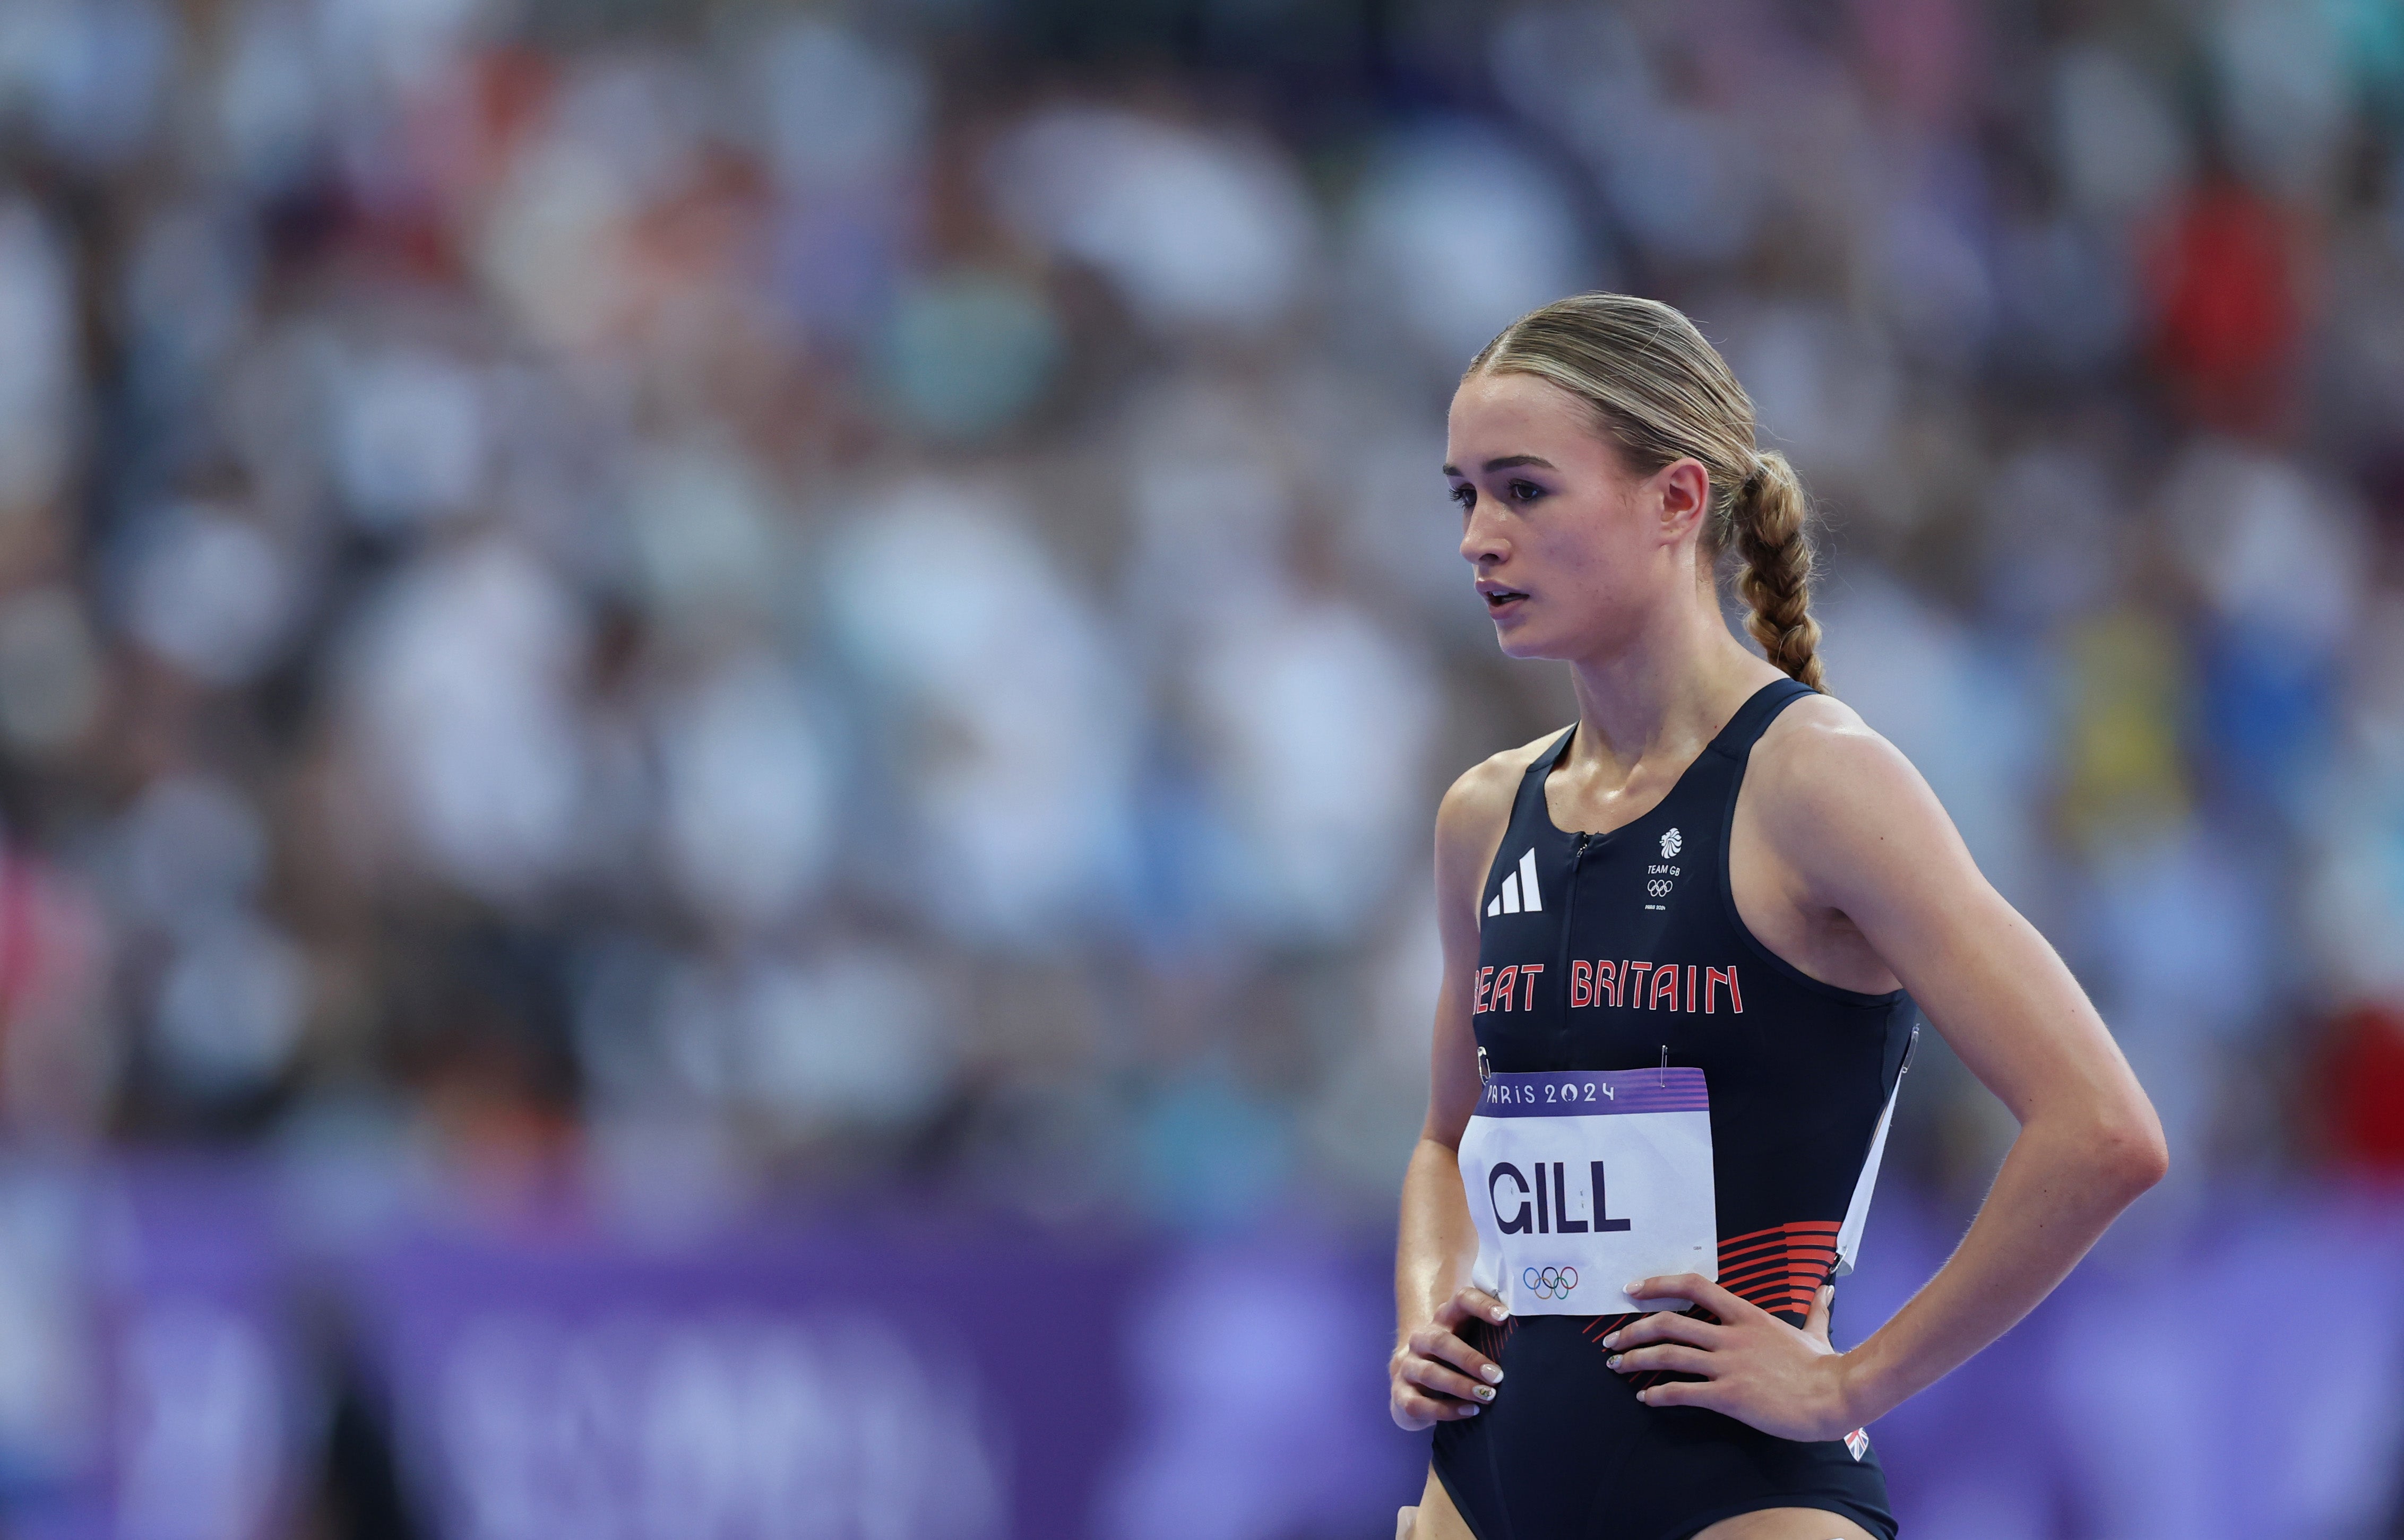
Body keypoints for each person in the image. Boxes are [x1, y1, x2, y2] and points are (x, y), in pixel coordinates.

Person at [1388, 293, 2167, 1540]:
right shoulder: (1486, 813)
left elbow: (2104, 1130)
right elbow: (1446, 1137)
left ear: (1676, 501)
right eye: (1463, 495)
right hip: (1477, 1485)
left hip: (1737, 1494)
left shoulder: (1820, 784)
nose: (1480, 537)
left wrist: (1852, 1381)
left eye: (1525, 490)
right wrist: (1428, 1295)